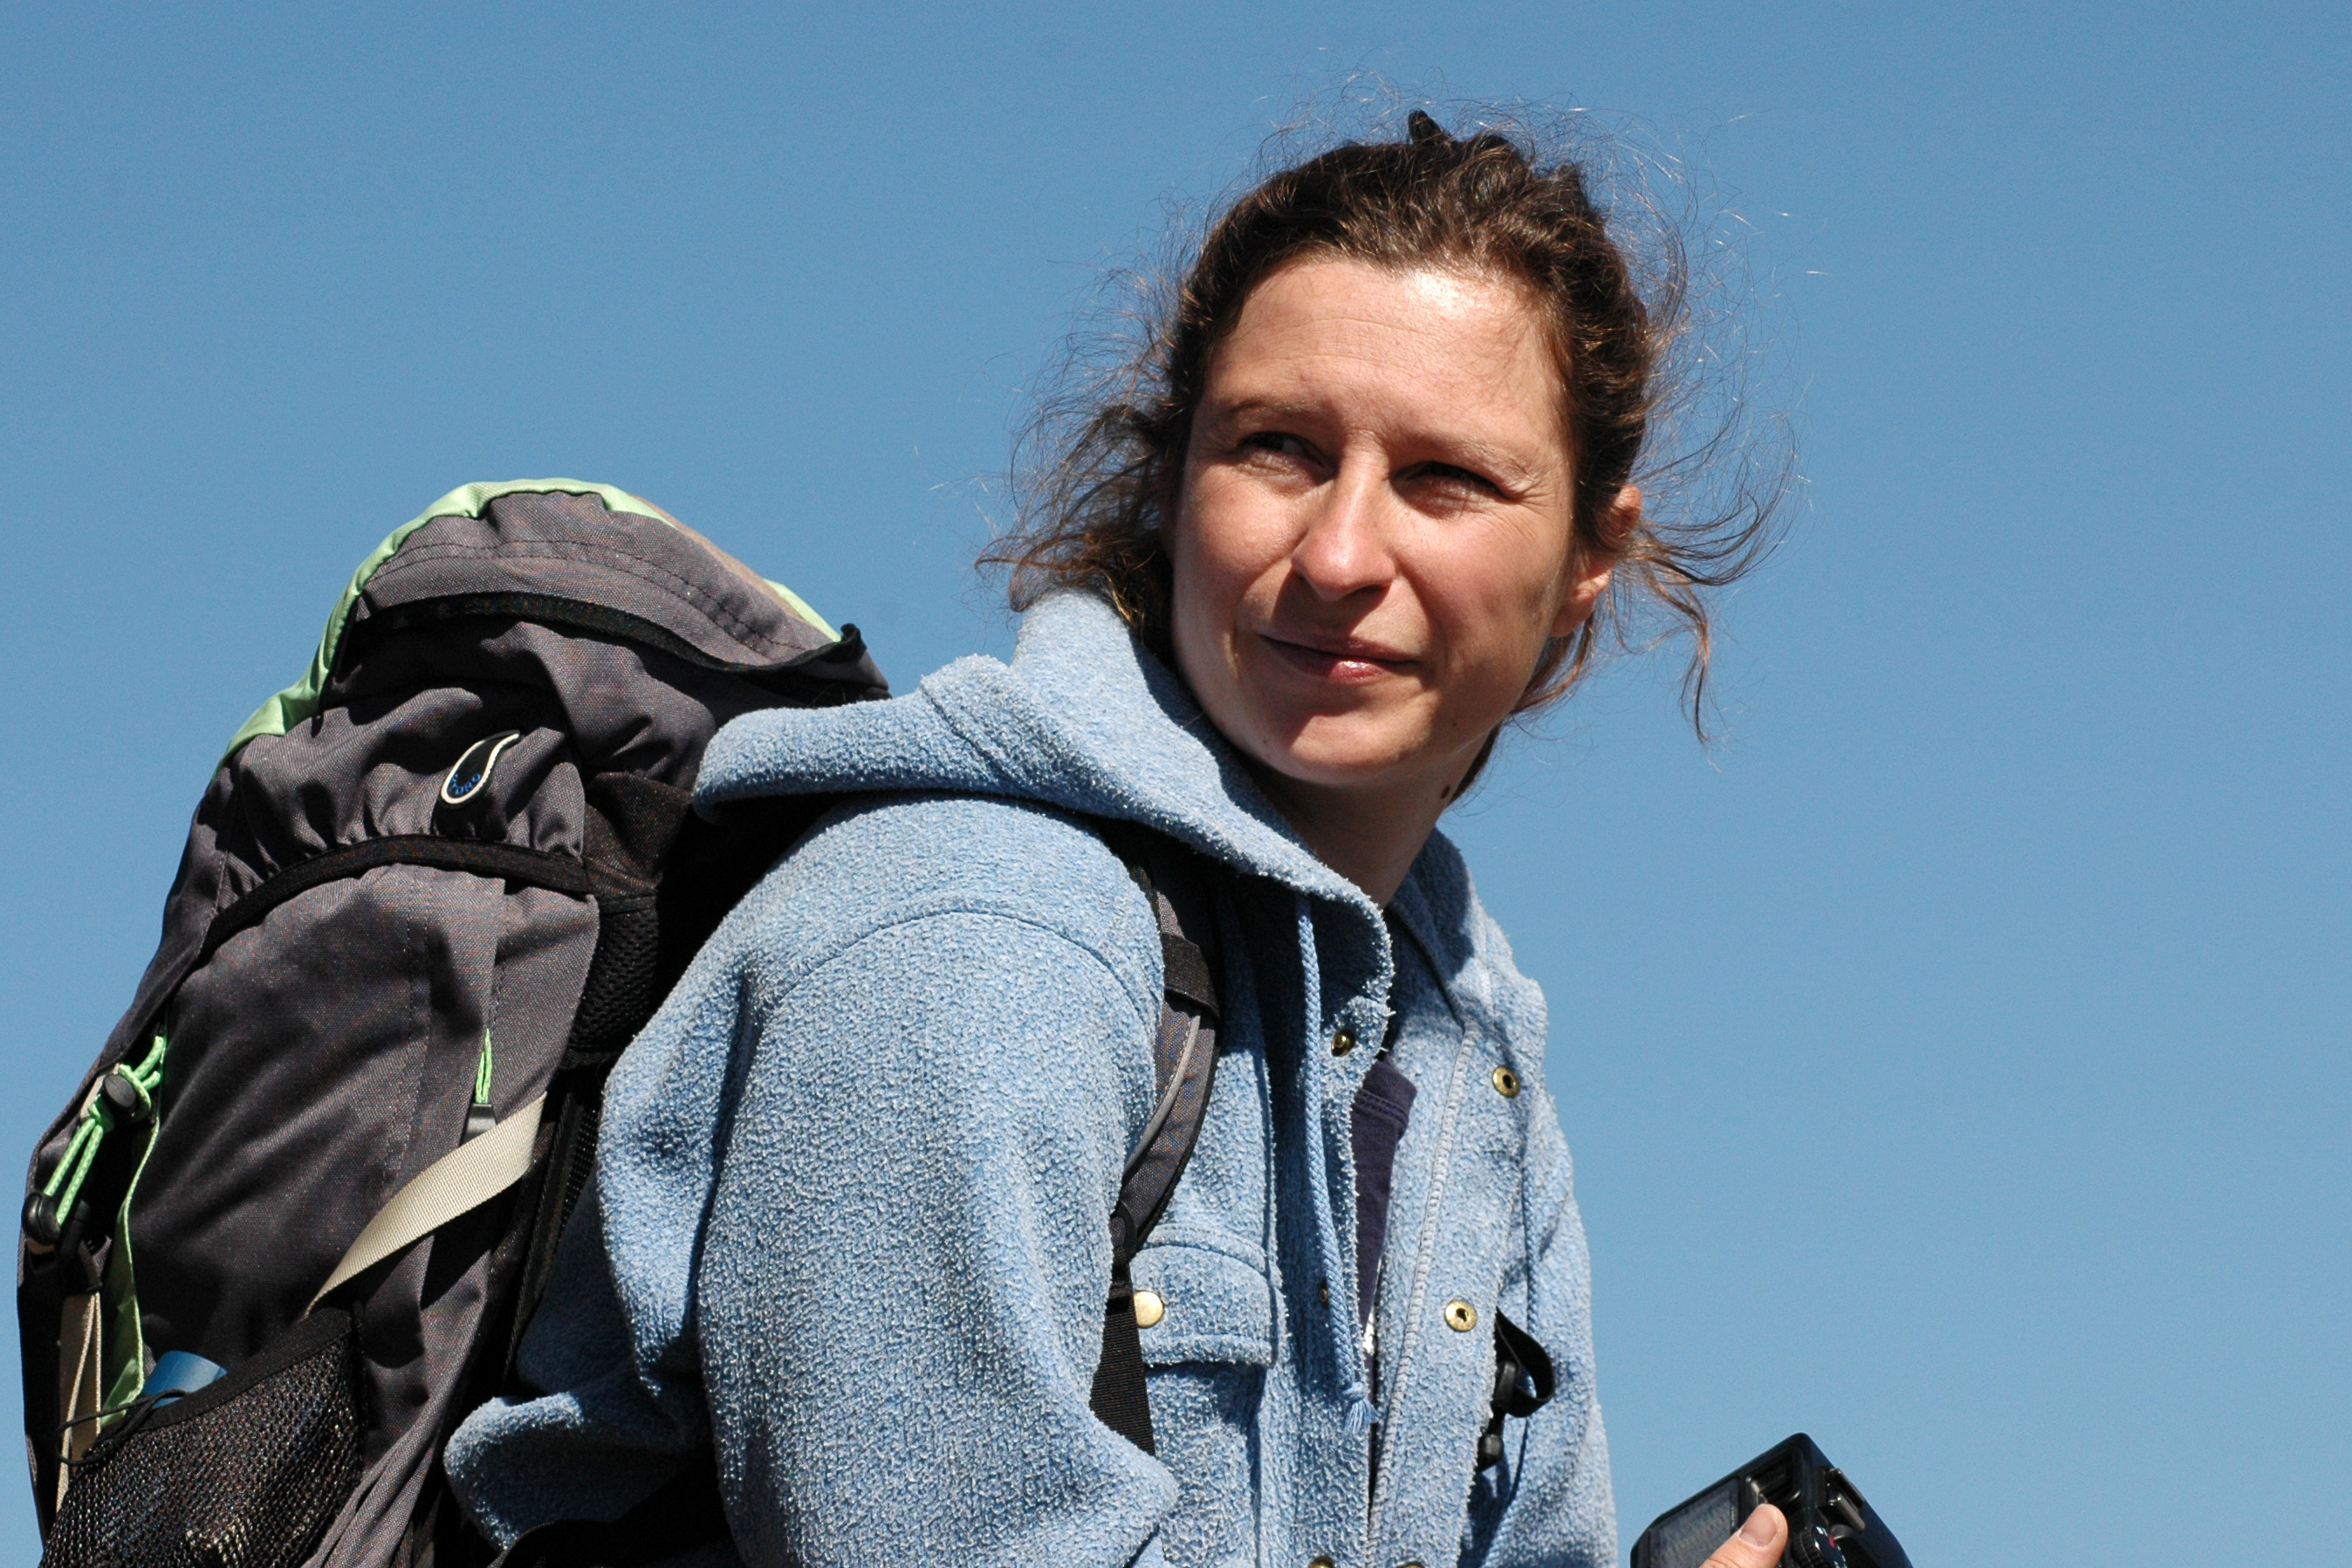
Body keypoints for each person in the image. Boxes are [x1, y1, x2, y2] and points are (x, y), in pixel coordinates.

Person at [447, 108, 1786, 1568]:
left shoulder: (1466, 1047)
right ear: (1170, 478)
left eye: (1443, 479)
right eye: (1277, 449)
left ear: (1590, 553)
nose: (1340, 553)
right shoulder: (973, 931)